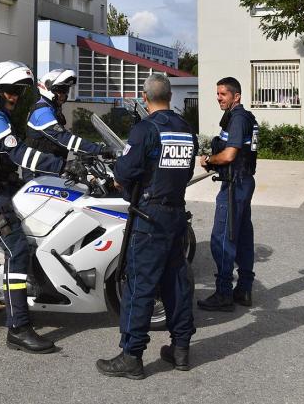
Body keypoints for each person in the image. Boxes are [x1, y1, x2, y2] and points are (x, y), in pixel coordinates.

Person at [0, 60, 74, 354]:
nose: (14, 96)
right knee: (18, 250)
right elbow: (17, 152)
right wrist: (63, 165)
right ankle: (18, 328)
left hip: (1, 184)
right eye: (9, 90)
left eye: (18, 91)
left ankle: (27, 297)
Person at [97, 73, 198, 379]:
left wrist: (122, 180)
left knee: (139, 286)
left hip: (149, 217)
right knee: (176, 283)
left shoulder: (145, 129)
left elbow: (125, 171)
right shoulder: (185, 129)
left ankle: (131, 357)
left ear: (144, 97)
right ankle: (180, 349)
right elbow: (188, 168)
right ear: (170, 96)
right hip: (176, 215)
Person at [198, 76, 258, 311]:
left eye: (223, 94)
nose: (218, 98)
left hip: (235, 184)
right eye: (218, 93)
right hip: (243, 182)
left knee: (221, 238)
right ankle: (243, 290)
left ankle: (224, 294)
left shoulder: (238, 119)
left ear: (236, 96)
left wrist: (209, 160)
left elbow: (229, 155)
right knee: (242, 237)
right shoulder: (244, 117)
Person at [26, 68, 106, 159]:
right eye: (61, 90)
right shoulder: (42, 112)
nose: (63, 95)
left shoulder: (52, 109)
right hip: (39, 171)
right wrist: (100, 149)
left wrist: (89, 146)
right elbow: (63, 138)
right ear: (48, 88)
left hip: (51, 167)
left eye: (66, 90)